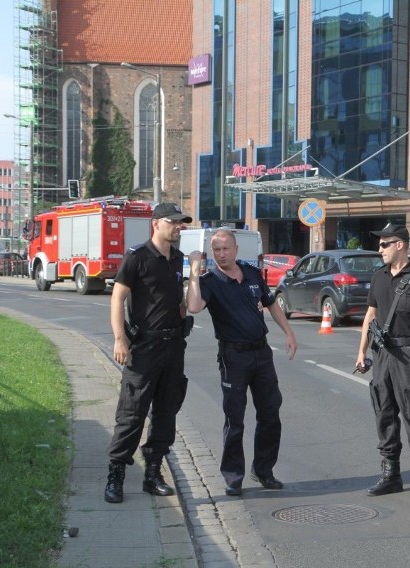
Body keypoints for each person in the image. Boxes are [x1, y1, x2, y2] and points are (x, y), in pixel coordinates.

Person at [185, 230, 297, 497]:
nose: (222, 254)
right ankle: (233, 477)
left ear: (235, 249)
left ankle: (264, 470)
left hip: (261, 354)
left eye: (225, 248)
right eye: (216, 250)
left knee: (270, 414)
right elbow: (193, 306)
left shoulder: (252, 273)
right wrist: (194, 271)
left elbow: (270, 304)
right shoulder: (209, 281)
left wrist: (289, 333)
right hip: (233, 357)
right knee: (235, 419)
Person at [104, 202, 193, 504]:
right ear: (156, 223)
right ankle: (115, 475)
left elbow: (179, 302)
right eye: (174, 222)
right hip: (144, 348)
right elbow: (117, 298)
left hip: (173, 347)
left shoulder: (178, 259)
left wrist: (185, 305)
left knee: (166, 413)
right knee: (132, 414)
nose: (179, 227)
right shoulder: (137, 257)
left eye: (182, 223)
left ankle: (152, 473)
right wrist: (119, 339)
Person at [356, 223, 410, 500]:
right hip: (382, 355)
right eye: (379, 244)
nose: (379, 249)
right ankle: (391, 475)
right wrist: (361, 351)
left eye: (385, 244)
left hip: (409, 355)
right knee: (384, 413)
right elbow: (370, 316)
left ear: (400, 245)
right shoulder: (379, 276)